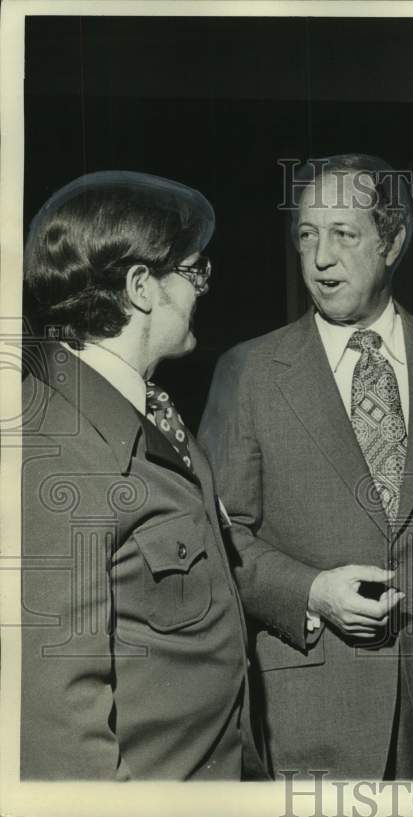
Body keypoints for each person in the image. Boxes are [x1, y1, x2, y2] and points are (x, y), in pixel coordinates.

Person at [199, 154, 413, 779]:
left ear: (393, 242)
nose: (320, 258)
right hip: (310, 706)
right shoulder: (250, 372)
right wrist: (311, 592)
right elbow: (221, 543)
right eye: (307, 235)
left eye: (344, 234)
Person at [20, 171, 263, 779]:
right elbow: (60, 730)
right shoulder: (55, 451)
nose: (202, 289)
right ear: (141, 287)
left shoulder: (144, 408)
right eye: (193, 270)